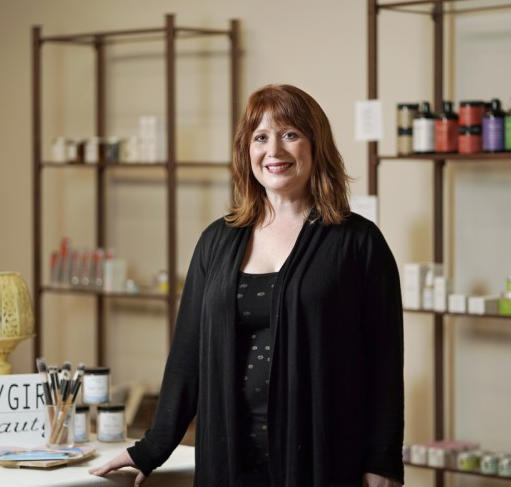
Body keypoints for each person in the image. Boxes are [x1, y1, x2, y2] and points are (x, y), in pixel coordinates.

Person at [89, 84, 404, 487]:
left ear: (315, 145)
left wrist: (382, 461)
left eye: (290, 134)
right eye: (260, 137)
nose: (274, 150)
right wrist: (150, 449)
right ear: (247, 151)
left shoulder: (358, 242)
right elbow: (188, 355)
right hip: (230, 456)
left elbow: (385, 361)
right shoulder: (217, 240)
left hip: (324, 456)